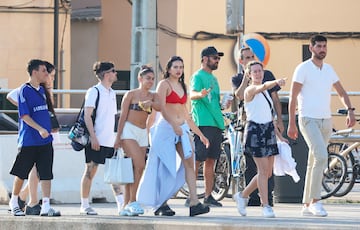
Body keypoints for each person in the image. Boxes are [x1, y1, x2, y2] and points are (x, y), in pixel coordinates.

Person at [287, 34, 356, 217]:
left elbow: (341, 91)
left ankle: (306, 203)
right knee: (321, 156)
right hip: (307, 119)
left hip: (326, 120)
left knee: (314, 161)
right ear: (311, 48)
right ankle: (316, 201)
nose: (322, 49)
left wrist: (350, 110)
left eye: (324, 46)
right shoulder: (302, 68)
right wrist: (291, 124)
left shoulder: (329, 69)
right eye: (318, 46)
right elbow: (293, 97)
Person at [137, 56, 210, 217]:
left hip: (181, 128)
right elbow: (161, 107)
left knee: (189, 163)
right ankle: (161, 204)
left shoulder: (182, 85)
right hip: (165, 128)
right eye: (176, 67)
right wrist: (174, 125)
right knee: (165, 167)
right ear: (169, 69)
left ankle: (194, 202)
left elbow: (186, 113)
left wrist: (200, 134)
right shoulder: (164, 84)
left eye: (181, 67)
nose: (179, 70)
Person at [233, 61, 287, 218]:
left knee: (267, 173)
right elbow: (261, 87)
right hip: (254, 131)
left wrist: (280, 136)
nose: (258, 73)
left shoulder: (266, 93)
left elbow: (269, 116)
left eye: (260, 71)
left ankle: (242, 195)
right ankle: (266, 205)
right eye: (255, 71)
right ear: (249, 74)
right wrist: (275, 82)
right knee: (262, 171)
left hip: (268, 130)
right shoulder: (250, 90)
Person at [8, 59, 61, 216]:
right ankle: (14, 201)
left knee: (46, 173)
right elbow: (24, 115)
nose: (47, 74)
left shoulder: (42, 91)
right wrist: (39, 129)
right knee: (21, 173)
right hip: (29, 140)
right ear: (34, 72)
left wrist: (50, 130)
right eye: (44, 70)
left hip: (46, 141)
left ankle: (45, 205)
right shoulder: (24, 90)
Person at [114, 65, 159, 216]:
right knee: (139, 164)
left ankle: (126, 205)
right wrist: (118, 136)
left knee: (135, 169)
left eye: (152, 79)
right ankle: (133, 201)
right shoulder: (131, 94)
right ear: (140, 79)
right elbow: (122, 116)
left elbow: (162, 106)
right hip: (129, 130)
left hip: (142, 132)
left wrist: (151, 104)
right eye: (148, 78)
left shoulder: (153, 96)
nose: (150, 81)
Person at [79, 61, 123, 215]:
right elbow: (87, 115)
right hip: (96, 140)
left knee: (113, 173)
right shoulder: (94, 91)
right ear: (106, 74)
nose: (116, 73)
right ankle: (84, 205)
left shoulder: (111, 92)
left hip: (110, 140)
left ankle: (121, 206)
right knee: (90, 171)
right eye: (113, 71)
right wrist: (93, 137)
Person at [189, 46, 230, 207]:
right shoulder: (198, 76)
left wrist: (223, 104)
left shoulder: (214, 79)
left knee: (211, 161)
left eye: (218, 58)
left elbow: (214, 103)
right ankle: (192, 196)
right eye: (214, 58)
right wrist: (200, 94)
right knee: (197, 160)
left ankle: (208, 196)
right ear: (205, 59)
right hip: (202, 123)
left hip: (216, 124)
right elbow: (192, 94)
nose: (217, 60)